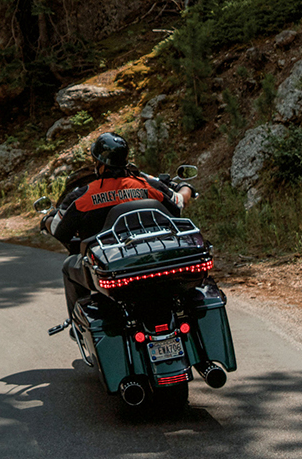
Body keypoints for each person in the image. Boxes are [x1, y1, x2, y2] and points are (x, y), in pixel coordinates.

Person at [42, 132, 193, 319]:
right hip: (155, 257)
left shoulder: (83, 197)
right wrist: (186, 187)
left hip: (111, 267)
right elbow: (178, 203)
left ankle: (77, 322)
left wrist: (46, 220)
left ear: (99, 163)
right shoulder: (147, 186)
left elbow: (60, 231)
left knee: (68, 266)